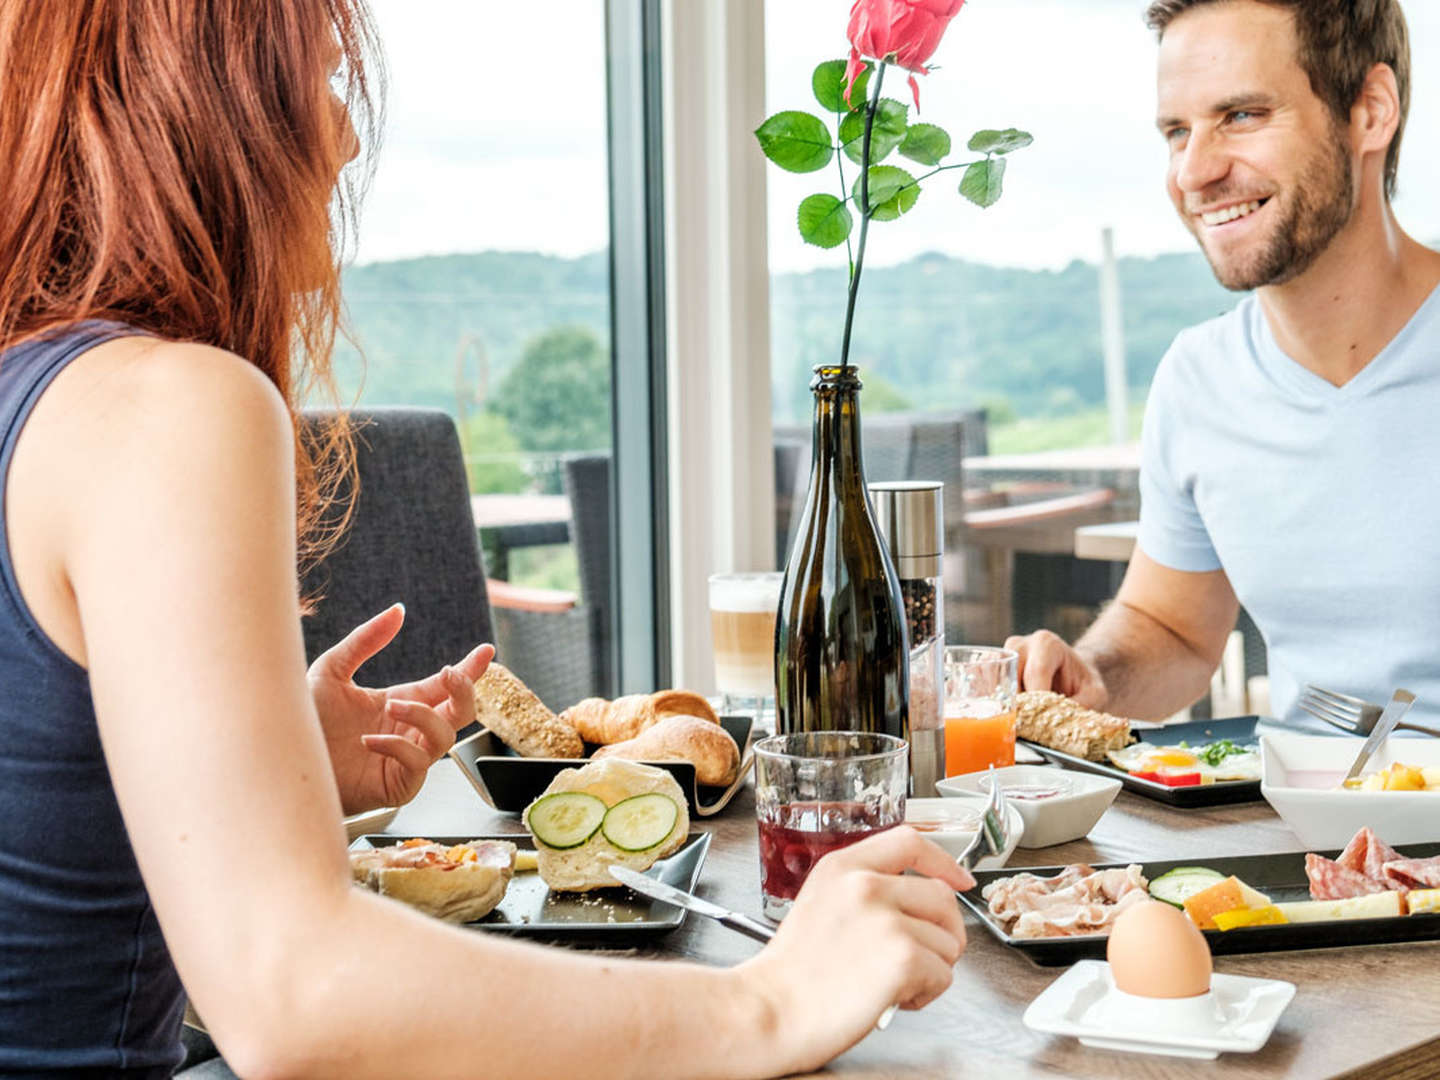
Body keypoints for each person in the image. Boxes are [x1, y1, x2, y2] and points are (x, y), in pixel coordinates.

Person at [0, 2, 973, 1077]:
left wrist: (264, 766)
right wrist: (768, 1005)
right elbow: (294, 992)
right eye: (325, 80)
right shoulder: (166, 406)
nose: (348, 135)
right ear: (216, 100)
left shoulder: (32, 391)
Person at [1007, 0, 1440, 726]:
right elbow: (1171, 629)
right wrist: (1095, 676)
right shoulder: (1200, 380)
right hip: (1300, 832)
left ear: (1371, 110)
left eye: (1241, 115)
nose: (1193, 171)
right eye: (1177, 130)